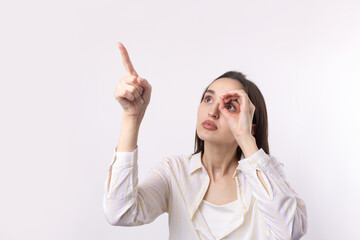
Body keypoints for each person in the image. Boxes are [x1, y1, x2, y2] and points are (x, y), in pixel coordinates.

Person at [103, 42, 308, 240]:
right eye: (208, 99)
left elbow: (289, 231)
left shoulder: (267, 177)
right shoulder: (174, 172)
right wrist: (131, 117)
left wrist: (245, 137)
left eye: (229, 106)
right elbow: (120, 212)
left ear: (250, 124)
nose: (212, 111)